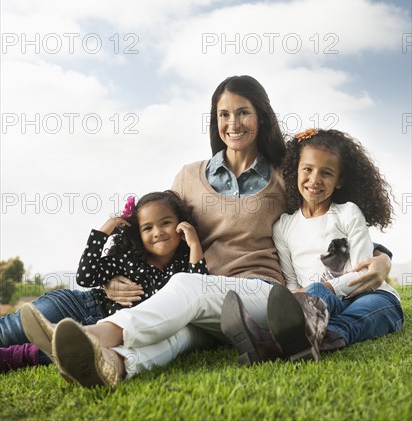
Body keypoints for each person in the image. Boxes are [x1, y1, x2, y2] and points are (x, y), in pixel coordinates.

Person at [21, 76, 392, 387]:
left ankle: (95, 334)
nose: (234, 123)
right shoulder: (187, 176)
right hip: (206, 305)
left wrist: (380, 256)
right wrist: (111, 277)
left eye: (243, 112)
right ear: (214, 120)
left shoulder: (284, 176)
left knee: (186, 286)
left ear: (260, 118)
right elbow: (158, 234)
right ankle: (110, 365)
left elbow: (325, 224)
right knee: (178, 335)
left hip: (259, 296)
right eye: (224, 114)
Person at [222, 128, 404, 364]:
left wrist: (321, 289)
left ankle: (268, 343)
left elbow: (361, 273)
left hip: (370, 296)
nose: (315, 179)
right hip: (316, 308)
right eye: (307, 169)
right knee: (313, 296)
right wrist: (304, 294)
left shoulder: (348, 213)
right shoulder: (284, 226)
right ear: (295, 171)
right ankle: (304, 337)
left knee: (343, 302)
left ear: (339, 181)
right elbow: (291, 283)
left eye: (326, 173)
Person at [1, 191, 208, 373]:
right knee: (9, 331)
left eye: (166, 223)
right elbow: (86, 276)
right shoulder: (130, 258)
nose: (157, 232)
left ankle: (13, 357)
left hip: (107, 332)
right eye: (147, 228)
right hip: (77, 306)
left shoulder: (182, 267)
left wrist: (194, 243)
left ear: (180, 224)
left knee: (73, 351)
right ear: (138, 233)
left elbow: (198, 289)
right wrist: (103, 232)